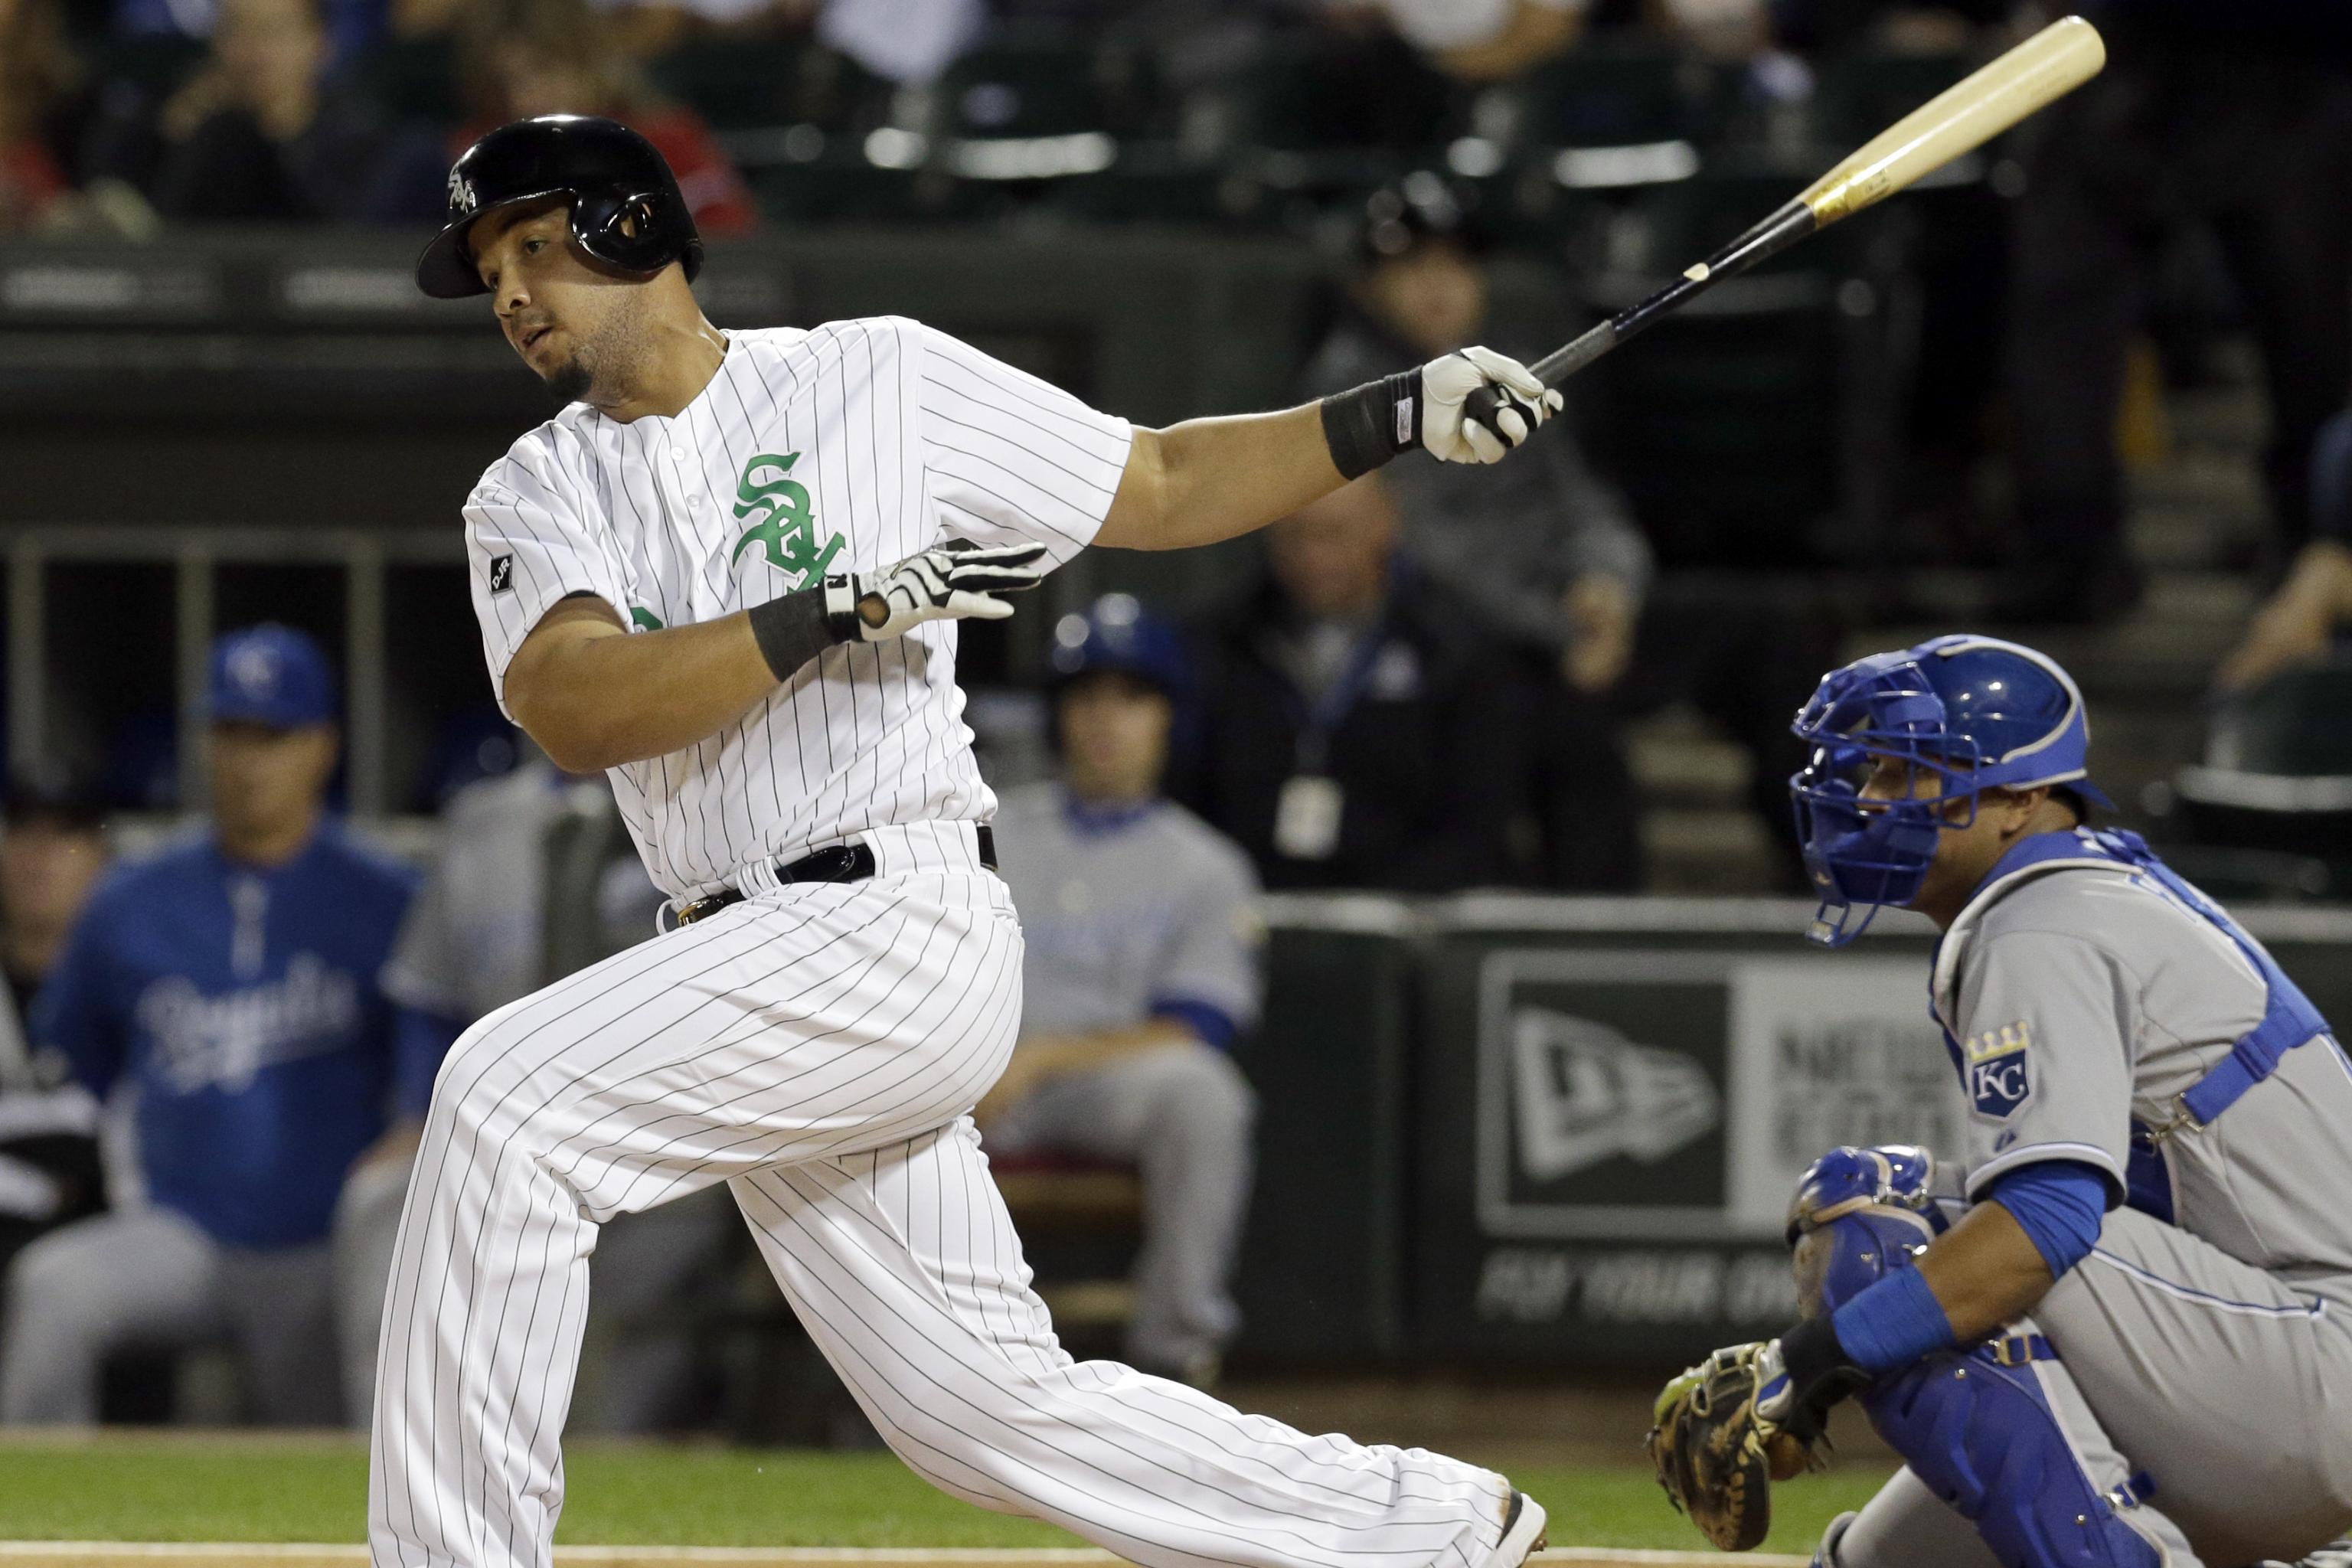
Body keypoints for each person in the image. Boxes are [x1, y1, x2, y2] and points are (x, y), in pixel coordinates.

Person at [379, 112, 1562, 1568]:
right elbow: (577, 705)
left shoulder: (874, 376)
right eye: (489, 265)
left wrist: (1395, 412)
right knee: (982, 1410)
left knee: (504, 1098)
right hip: (740, 952)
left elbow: (1165, 484)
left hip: (889, 913)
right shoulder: (536, 488)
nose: (507, 291)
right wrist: (834, 609)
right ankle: (1434, 1526)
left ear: (634, 229)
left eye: (532, 247)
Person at [1651, 634, 2352, 1567]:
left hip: (2314, 1369)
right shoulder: (2080, 890)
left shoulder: (2042, 920)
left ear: (2021, 799)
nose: (1868, 799)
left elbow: (2045, 1222)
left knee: (1872, 1211)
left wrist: (1804, 1365)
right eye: (1872, 771)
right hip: (2263, 1366)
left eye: (1909, 773)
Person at [1301, 175, 1840, 887]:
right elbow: (1427, 552)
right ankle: (1599, 937)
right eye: (1412, 268)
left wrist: (1606, 589)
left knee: (1769, 634)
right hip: (1464, 648)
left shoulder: (1498, 361)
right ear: (1370, 286)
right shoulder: (1353, 389)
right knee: (1568, 728)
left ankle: (1820, 877)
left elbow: (1583, 503)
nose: (1439, 287)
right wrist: (1568, 630)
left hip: (1573, 624)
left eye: (1454, 265)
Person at [0, 625, 418, 1427]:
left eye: (272, 735)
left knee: (347, 1439)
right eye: (229, 732)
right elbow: (72, 1071)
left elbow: (429, 1074)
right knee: (52, 1288)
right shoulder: (128, 900)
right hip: (179, 1232)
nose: (247, 759)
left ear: (321, 746)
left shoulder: (385, 896)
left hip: (323, 1248)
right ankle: (35, 1536)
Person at [342, 752, 731, 1432]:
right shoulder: (482, 822)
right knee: (380, 1204)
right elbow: (429, 997)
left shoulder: (720, 806)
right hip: (500, 1125)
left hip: (661, 1133)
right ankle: (396, 1455)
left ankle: (612, 1473)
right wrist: (415, 1113)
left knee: (615, 1340)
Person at [984, 596, 1263, 1387]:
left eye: (1132, 698)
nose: (1106, 719)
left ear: (1168, 717)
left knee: (1204, 1094)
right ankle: (865, 1359)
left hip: (1086, 1089)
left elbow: (1193, 1025)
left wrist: (1040, 1059)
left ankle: (1177, 1357)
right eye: (1087, 696)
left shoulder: (1206, 865)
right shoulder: (985, 829)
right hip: (960, 1080)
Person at [2002, 1, 2352, 620]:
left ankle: (2321, 545)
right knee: (2061, 297)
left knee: (2312, 326)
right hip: (2124, 45)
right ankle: (2069, 547)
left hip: (2293, 57)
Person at [1187, 475, 1539, 891]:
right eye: (1295, 536)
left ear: (1385, 526)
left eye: (1335, 534)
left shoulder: (1455, 648)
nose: (1314, 558)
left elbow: (1479, 820)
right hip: (1251, 904)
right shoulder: (1222, 640)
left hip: (1410, 918)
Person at [456, 0, 757, 238]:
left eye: (543, 71)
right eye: (509, 82)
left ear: (590, 62)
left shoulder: (666, 139)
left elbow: (733, 245)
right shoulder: (478, 152)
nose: (524, 98)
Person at [140, 0, 445, 223]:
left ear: (321, 44)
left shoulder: (369, 149)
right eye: (235, 30)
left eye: (272, 32)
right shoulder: (186, 135)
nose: (253, 52)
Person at [0, 772, 111, 1312]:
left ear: (101, 859)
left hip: (95, 1239)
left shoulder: (136, 986)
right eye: (23, 833)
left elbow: (122, 1146)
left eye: (65, 837)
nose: (40, 857)